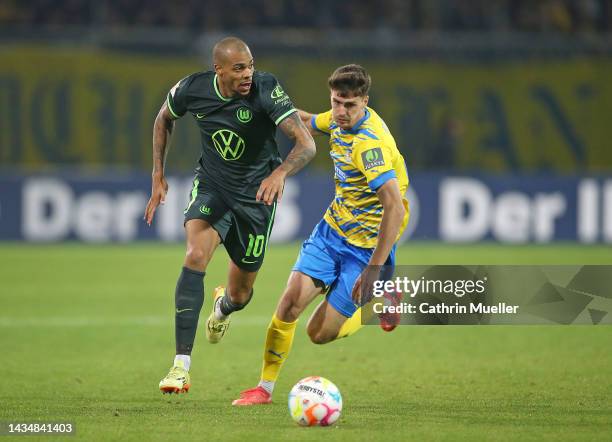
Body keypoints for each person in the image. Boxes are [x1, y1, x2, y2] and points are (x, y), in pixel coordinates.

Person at [143, 37, 316, 394]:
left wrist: (279, 172)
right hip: (213, 187)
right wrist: (158, 175)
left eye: (250, 65)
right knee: (195, 254)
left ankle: (222, 308)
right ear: (218, 69)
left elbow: (306, 143)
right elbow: (163, 119)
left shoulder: (266, 88)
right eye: (239, 68)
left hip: (256, 198)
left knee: (240, 294)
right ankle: (180, 367)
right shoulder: (192, 88)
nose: (248, 74)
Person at [232, 64, 409, 406]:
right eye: (336, 102)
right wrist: (264, 105)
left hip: (366, 250)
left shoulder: (371, 147)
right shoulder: (338, 119)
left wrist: (375, 268)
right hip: (332, 232)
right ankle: (264, 389)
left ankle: (381, 299)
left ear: (365, 102)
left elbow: (396, 208)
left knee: (318, 334)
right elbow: (308, 121)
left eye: (349, 105)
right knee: (288, 303)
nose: (340, 112)